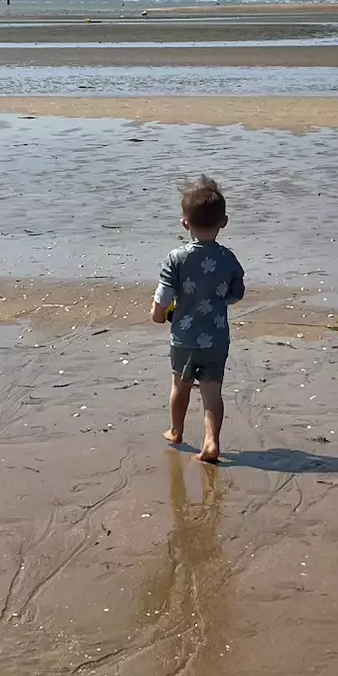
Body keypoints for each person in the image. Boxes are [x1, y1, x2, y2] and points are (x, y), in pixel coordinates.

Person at [150, 176, 245, 462]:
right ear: (224, 222)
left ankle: (176, 430)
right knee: (212, 391)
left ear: (184, 223)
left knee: (180, 386)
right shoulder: (229, 259)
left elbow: (164, 294)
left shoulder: (176, 258)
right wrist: (216, 301)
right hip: (216, 338)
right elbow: (237, 293)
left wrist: (158, 315)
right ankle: (211, 441)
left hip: (184, 337)